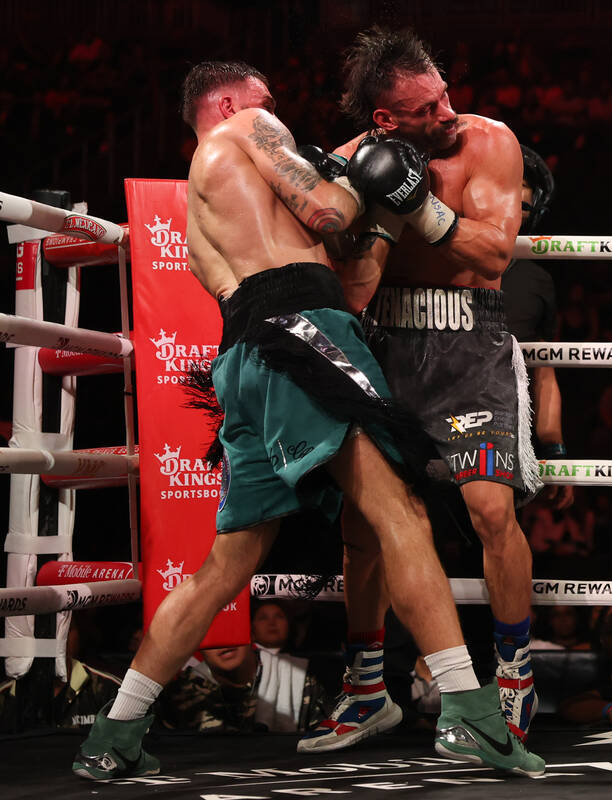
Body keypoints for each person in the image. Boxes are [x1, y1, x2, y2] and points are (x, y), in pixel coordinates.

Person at [72, 60, 542, 780]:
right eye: (268, 100)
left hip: (243, 355)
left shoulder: (203, 209)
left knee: (226, 566)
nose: (278, 112)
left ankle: (116, 729)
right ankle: (472, 712)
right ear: (228, 101)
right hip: (302, 331)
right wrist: (377, 190)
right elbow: (327, 213)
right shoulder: (249, 125)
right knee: (401, 515)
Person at [320, 26, 541, 747]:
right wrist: (380, 207)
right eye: (427, 109)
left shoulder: (490, 143)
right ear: (385, 120)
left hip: (470, 340)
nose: (448, 113)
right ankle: (364, 687)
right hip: (386, 342)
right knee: (366, 524)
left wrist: (420, 205)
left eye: (445, 94)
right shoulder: (353, 163)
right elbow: (349, 289)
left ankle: (513, 680)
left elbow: (495, 248)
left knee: (489, 512)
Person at [501, 145, 574, 512]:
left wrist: (554, 451)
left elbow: (545, 367)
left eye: (523, 208)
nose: (512, 214)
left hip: (506, 432)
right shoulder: (440, 259)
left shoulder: (536, 278)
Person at [159, 644, 328, 733]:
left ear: (250, 633)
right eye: (213, 633)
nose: (225, 641)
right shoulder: (180, 692)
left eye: (232, 629)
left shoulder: (299, 681)